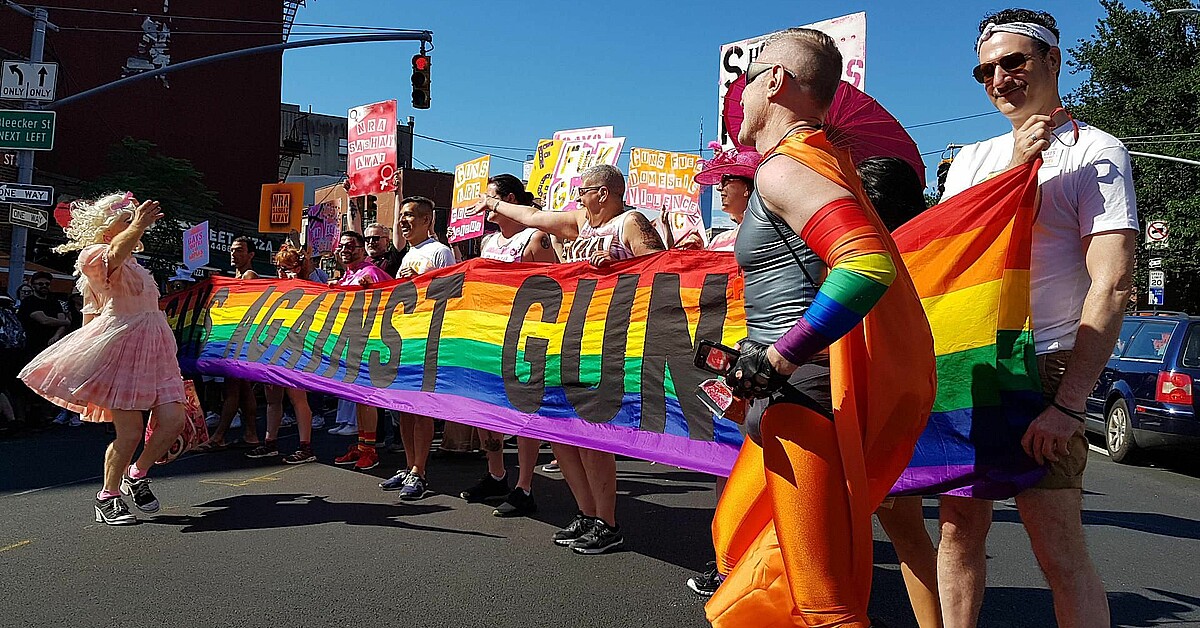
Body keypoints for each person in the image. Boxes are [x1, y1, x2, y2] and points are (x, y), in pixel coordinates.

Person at [705, 28, 935, 627]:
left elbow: (865, 265)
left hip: (801, 398)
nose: (738, 93)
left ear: (775, 82)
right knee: (739, 544)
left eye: (745, 79)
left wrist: (778, 357)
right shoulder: (810, 163)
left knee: (821, 604)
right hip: (787, 396)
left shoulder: (786, 169)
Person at [936, 9, 1136, 628]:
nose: (999, 78)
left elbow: (1112, 282)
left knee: (1057, 549)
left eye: (1014, 61)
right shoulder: (971, 158)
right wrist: (1012, 172)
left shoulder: (1095, 151)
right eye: (985, 70)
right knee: (958, 532)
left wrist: (1070, 404)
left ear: (1052, 60)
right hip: (975, 363)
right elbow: (952, 260)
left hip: (1047, 362)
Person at [471, 163, 667, 554]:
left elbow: (665, 270)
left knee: (592, 436)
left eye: (583, 191)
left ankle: (607, 522)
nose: (577, 198)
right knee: (560, 431)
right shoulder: (580, 222)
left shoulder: (630, 223)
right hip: (570, 338)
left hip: (609, 342)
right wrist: (494, 204)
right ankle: (586, 512)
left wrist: (619, 269)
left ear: (603, 193)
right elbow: (532, 216)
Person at [18, 192, 187, 525]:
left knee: (173, 421)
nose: (135, 225)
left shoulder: (137, 266)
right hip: (124, 353)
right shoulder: (93, 255)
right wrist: (88, 362)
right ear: (108, 228)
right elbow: (112, 260)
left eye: (134, 221)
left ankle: (136, 475)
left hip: (157, 353)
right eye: (126, 220)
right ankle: (107, 496)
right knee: (130, 434)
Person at [857, 156, 942, 628]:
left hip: (865, 408)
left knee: (837, 532)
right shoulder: (933, 253)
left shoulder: (861, 253)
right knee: (908, 535)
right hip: (901, 410)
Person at [447, 174, 556, 517]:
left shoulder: (535, 237)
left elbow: (556, 288)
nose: (484, 205)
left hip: (524, 338)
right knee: (487, 407)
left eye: (490, 197)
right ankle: (496, 475)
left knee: (523, 410)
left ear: (509, 199)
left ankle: (524, 486)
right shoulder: (488, 242)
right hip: (489, 335)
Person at [684, 143, 763, 596]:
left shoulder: (774, 231)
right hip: (723, 359)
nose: (720, 190)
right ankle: (728, 554)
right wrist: (692, 257)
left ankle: (751, 560)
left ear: (748, 187)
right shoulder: (718, 240)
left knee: (755, 457)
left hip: (758, 357)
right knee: (725, 457)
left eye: (727, 181)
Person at [378, 197, 455, 501]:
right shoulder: (409, 254)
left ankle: (420, 471)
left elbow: (452, 294)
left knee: (421, 409)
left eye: (409, 215)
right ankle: (409, 465)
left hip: (428, 340)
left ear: (426, 220)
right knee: (403, 408)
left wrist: (422, 282)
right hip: (405, 339)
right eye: (401, 216)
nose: (403, 221)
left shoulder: (440, 252)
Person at [329, 231, 393, 471]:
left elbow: (390, 296)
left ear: (362, 249)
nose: (345, 250)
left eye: (350, 246)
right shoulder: (348, 275)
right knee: (357, 397)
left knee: (367, 398)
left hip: (369, 343)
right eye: (342, 246)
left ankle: (370, 449)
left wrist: (370, 289)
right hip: (350, 342)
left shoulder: (370, 272)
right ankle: (361, 444)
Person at [199, 236, 261, 451]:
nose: (234, 254)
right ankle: (251, 434)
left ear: (251, 254)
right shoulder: (235, 277)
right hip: (234, 337)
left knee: (232, 387)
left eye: (240, 250)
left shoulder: (249, 276)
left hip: (240, 339)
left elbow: (249, 307)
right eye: (233, 250)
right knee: (243, 388)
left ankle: (219, 436)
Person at [677, 141, 762, 254]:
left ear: (746, 188)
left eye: (725, 179)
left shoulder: (768, 235)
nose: (719, 187)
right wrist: (699, 254)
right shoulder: (718, 240)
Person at [16, 271, 70, 428]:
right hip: (30, 347)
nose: (44, 286)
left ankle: (44, 416)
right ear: (33, 285)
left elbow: (61, 321)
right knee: (26, 384)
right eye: (40, 283)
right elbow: (44, 320)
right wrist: (65, 322)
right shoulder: (29, 302)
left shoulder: (54, 301)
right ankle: (23, 419)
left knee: (48, 382)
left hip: (50, 348)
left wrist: (57, 334)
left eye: (47, 283)